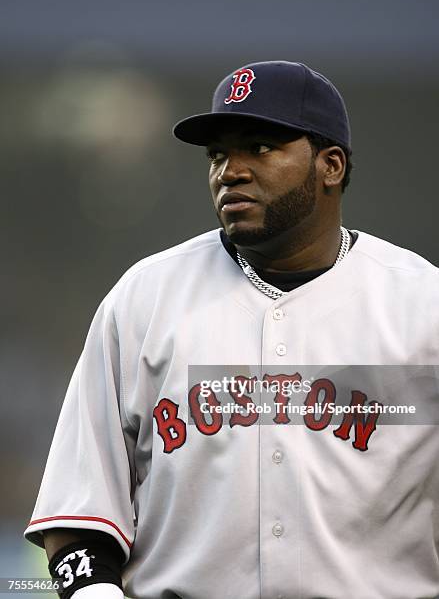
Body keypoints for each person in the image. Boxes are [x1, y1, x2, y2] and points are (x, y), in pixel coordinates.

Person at [25, 61, 439, 599]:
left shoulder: (422, 304)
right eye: (218, 154)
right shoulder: (145, 299)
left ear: (330, 165)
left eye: (260, 147)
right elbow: (77, 513)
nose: (230, 171)